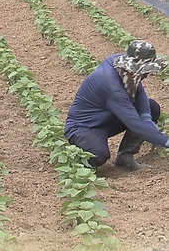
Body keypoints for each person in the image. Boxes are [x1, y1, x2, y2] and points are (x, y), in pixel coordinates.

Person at [64, 40, 169, 170]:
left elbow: (139, 90)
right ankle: (79, 163)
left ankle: (125, 156)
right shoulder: (111, 87)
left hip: (107, 117)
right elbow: (135, 124)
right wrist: (165, 141)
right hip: (84, 127)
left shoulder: (121, 63)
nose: (147, 75)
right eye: (145, 71)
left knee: (151, 107)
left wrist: (146, 117)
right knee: (98, 154)